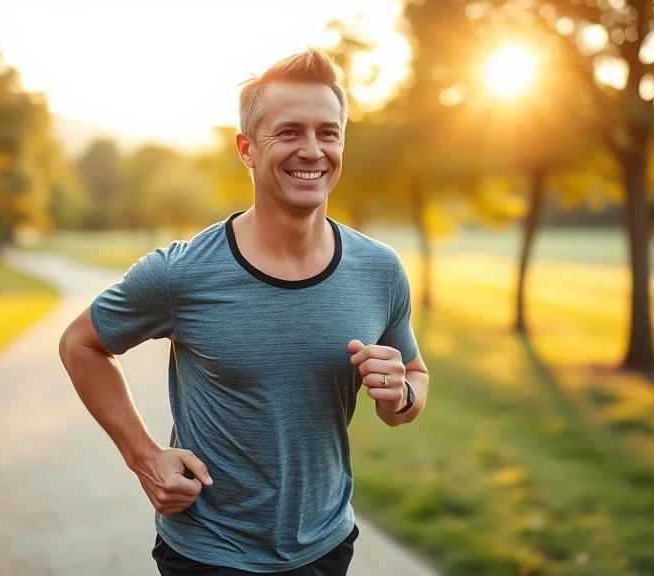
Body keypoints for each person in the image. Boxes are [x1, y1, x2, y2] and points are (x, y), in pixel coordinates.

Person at [58, 47, 429, 575]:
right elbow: (80, 344)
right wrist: (143, 457)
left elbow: (413, 380)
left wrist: (402, 396)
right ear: (247, 148)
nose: (312, 150)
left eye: (328, 133)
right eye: (289, 132)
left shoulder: (379, 269)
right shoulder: (181, 273)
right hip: (209, 553)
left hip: (326, 546)